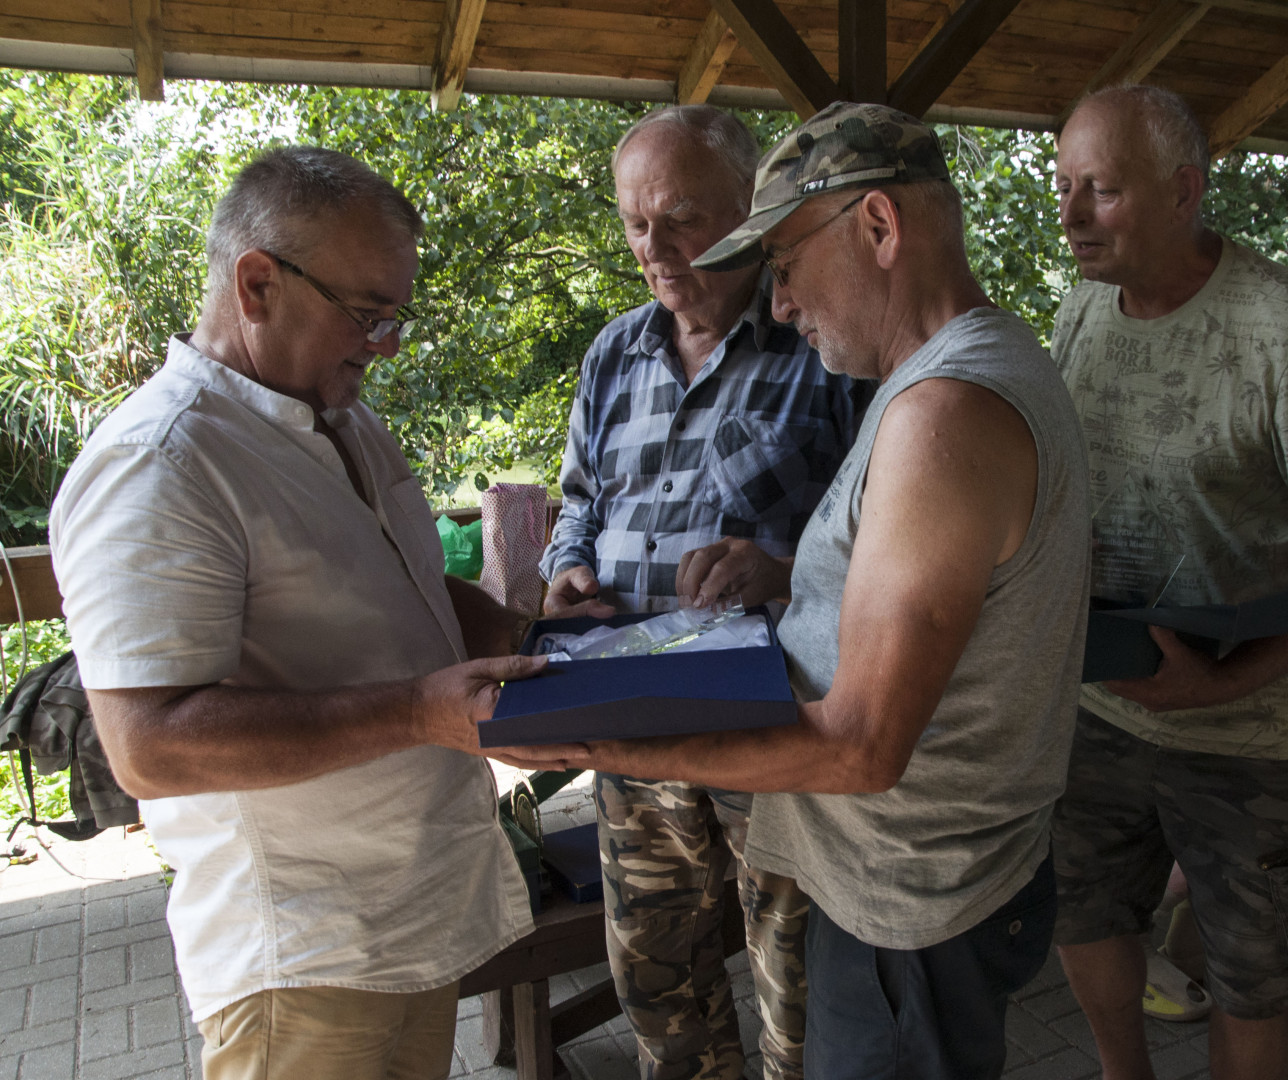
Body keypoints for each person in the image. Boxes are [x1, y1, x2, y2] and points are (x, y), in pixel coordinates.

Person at [507, 101, 1092, 1080]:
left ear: (879, 225)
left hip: (908, 898)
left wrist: (586, 736)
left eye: (784, 261)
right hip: (922, 881)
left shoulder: (941, 412)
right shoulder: (951, 377)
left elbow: (861, 745)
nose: (777, 301)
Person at [47, 147, 546, 1080]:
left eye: (394, 317)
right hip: (304, 958)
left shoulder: (340, 418)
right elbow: (149, 747)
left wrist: (535, 642)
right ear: (257, 284)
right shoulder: (162, 462)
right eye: (365, 314)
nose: (384, 344)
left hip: (409, 921)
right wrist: (417, 713)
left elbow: (407, 589)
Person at [1048, 84, 1288, 1080]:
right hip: (1107, 702)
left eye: (1101, 189)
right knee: (1083, 910)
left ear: (1183, 191)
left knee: (1254, 974)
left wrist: (1221, 680)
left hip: (1264, 733)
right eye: (1063, 186)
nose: (1071, 215)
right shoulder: (1081, 310)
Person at [536, 104, 867, 1080]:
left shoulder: (822, 339)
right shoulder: (614, 353)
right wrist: (565, 569)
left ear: (747, 211)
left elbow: (890, 527)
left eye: (680, 218)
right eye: (636, 224)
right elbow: (580, 499)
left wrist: (786, 571)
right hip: (630, 711)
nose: (655, 247)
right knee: (656, 978)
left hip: (771, 723)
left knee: (796, 984)